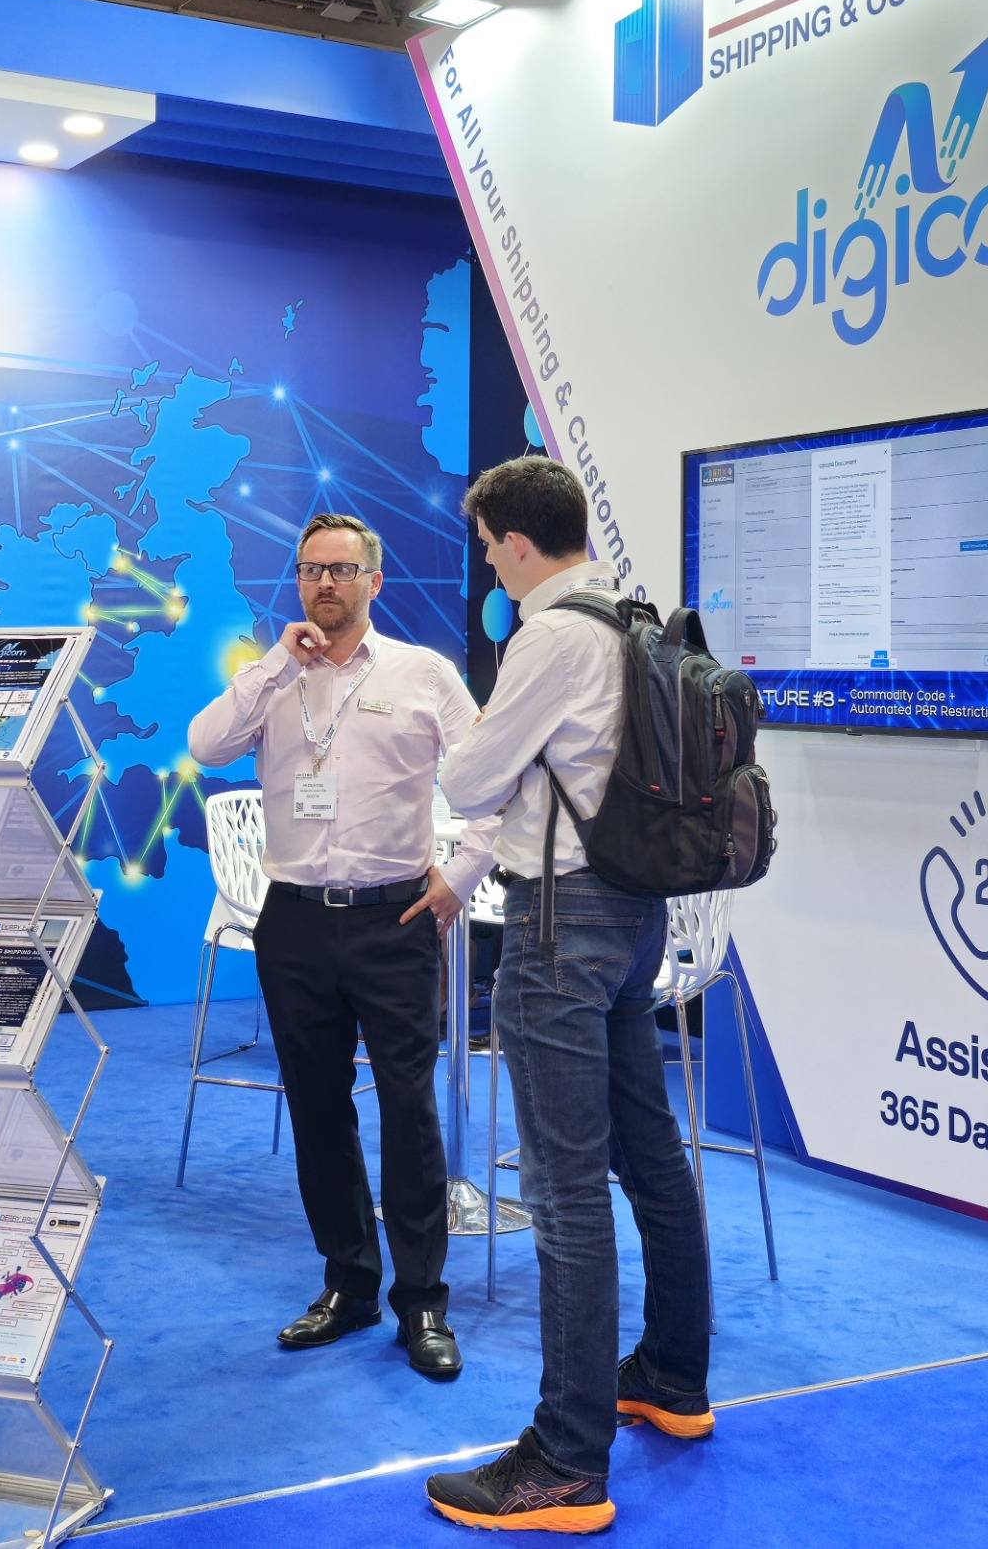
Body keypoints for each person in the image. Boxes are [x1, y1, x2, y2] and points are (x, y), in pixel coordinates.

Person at [426, 456, 712, 1534]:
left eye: (487, 546)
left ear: (511, 540)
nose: (488, 565)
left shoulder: (548, 636)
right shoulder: (629, 615)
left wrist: (483, 746)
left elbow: (467, 780)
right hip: (634, 918)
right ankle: (672, 1377)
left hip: (558, 924)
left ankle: (565, 1458)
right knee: (650, 1158)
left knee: (565, 1188)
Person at [187, 513, 495, 1379]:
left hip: (395, 920)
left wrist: (459, 877)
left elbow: (490, 783)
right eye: (311, 569)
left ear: (374, 582)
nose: (325, 583)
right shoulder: (274, 676)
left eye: (342, 569)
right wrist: (274, 665)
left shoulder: (423, 673)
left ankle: (422, 1301)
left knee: (409, 1110)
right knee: (318, 1110)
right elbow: (205, 747)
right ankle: (349, 1282)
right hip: (293, 919)